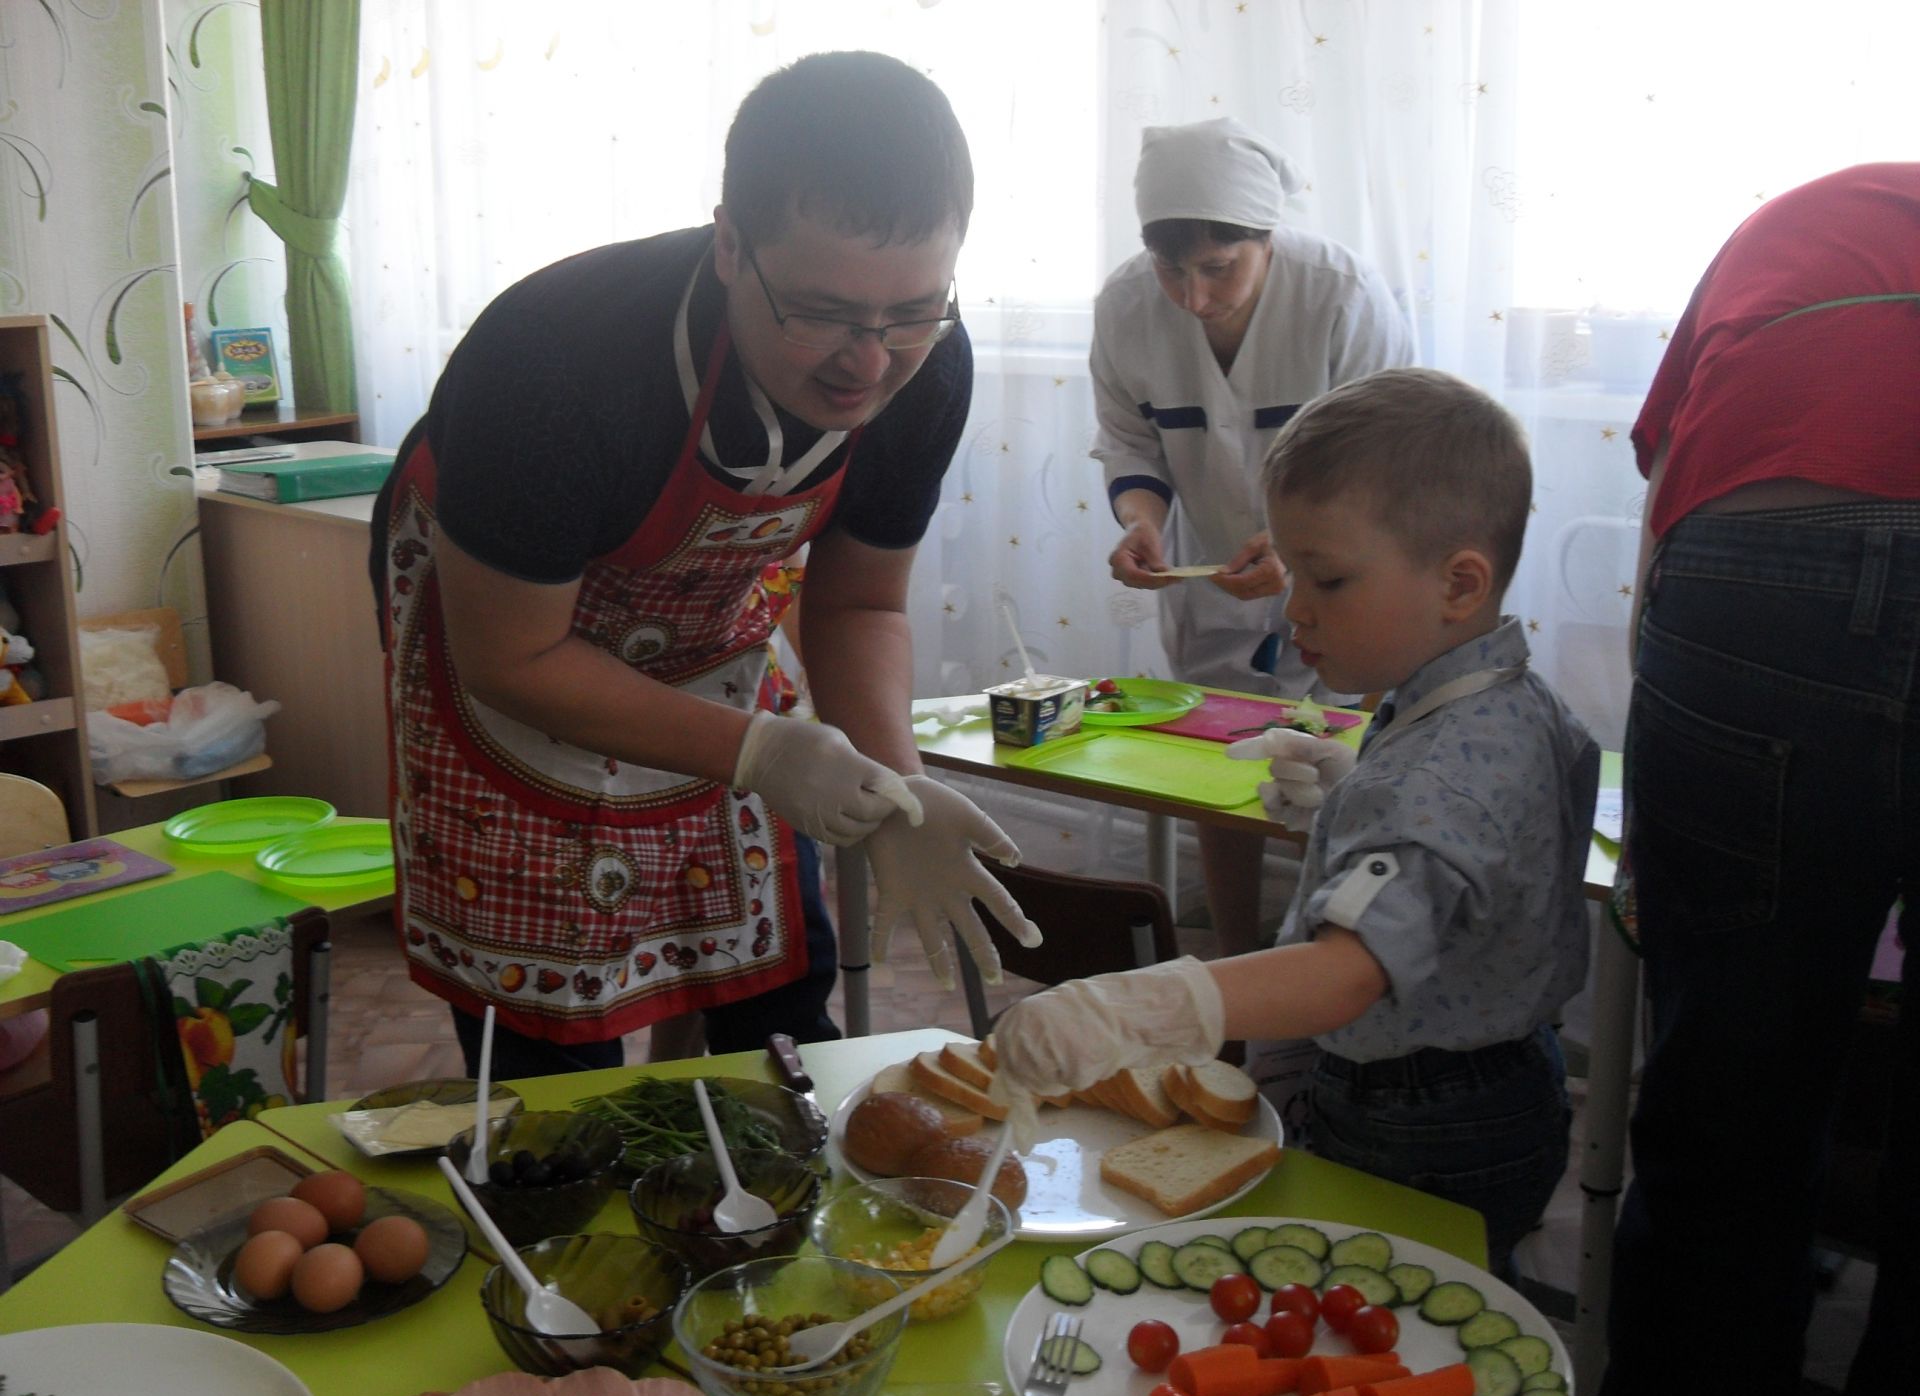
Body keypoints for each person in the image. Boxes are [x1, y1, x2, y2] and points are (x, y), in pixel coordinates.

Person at [371, 51, 1037, 1081]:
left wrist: (895, 779)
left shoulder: (925, 367)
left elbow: (858, 604)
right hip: (505, 634)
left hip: (705, 623)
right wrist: (766, 752)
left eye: (911, 311)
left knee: (770, 988)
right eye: (821, 312)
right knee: (554, 1045)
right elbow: (515, 659)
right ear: (730, 244)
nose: (868, 361)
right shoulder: (554, 364)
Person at [995, 369, 1597, 1276]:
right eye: (1290, 569)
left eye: (1328, 578)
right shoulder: (1507, 701)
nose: (1293, 610)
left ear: (1459, 584)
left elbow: (1346, 977)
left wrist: (1146, 1008)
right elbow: (1490, 861)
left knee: (1390, 1319)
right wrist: (1362, 789)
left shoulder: (1440, 774)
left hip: (1423, 1114)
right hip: (1498, 1084)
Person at [1596, 164, 1920, 1396]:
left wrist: (1674, 782)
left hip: (1760, 562)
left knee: (1726, 1111)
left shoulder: (1800, 221)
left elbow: (1666, 525)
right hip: (1759, 557)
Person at [1090, 117, 1415, 958]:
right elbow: (1131, 439)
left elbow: (1386, 453)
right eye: (1173, 269)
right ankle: (1237, 962)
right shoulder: (1126, 308)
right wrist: (1141, 525)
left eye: (1218, 268)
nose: (1193, 296)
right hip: (1217, 588)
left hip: (1349, 571)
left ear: (1266, 240)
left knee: (1344, 776)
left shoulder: (1342, 295)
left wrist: (1296, 552)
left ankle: (1336, 967)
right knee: (1218, 772)